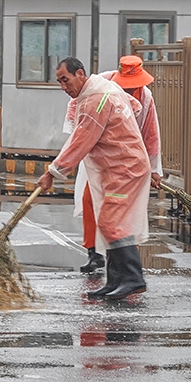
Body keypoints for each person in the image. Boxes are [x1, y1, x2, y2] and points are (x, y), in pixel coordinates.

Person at [38, 57, 151, 300]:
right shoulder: (104, 89)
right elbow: (134, 106)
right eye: (59, 82)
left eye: (65, 80)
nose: (63, 87)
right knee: (110, 221)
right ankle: (116, 280)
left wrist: (53, 172)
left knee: (112, 221)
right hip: (119, 166)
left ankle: (132, 278)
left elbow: (80, 141)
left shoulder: (96, 100)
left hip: (124, 168)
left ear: (80, 74)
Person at [67, 55, 163, 273]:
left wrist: (155, 170)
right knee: (89, 199)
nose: (130, 91)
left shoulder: (146, 97)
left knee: (123, 211)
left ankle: (126, 266)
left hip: (127, 162)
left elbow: (151, 134)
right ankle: (94, 253)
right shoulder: (101, 85)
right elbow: (76, 105)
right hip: (99, 154)